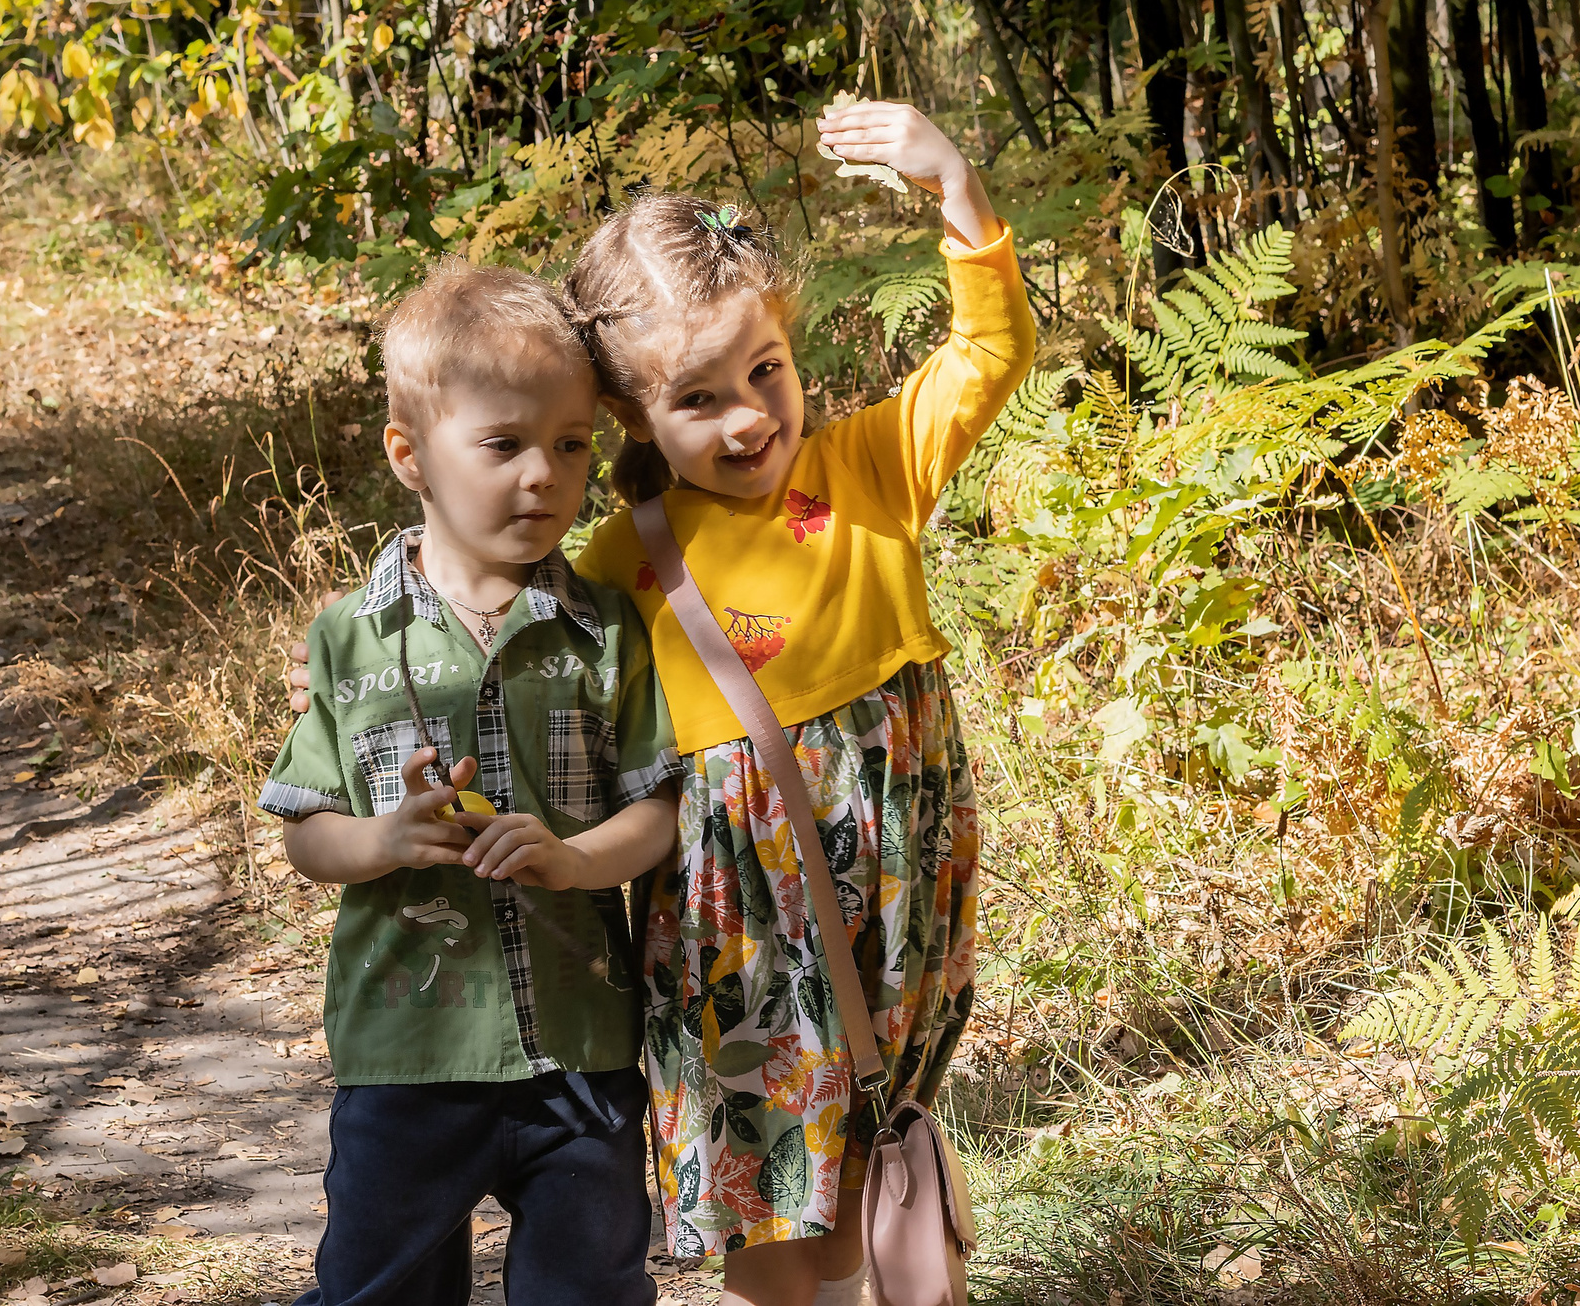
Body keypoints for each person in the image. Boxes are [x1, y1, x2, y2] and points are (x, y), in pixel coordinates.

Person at [564, 102, 1035, 1306]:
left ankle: (907, 1264)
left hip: (894, 882)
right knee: (771, 1165)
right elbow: (541, 696)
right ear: (630, 420)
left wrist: (955, 189)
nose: (751, 417)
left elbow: (986, 356)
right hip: (739, 914)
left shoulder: (868, 469)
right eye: (699, 399)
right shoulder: (623, 561)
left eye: (765, 370)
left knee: (886, 1119)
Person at [262, 259, 680, 1306]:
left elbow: (659, 807)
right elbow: (306, 833)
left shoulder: (606, 632)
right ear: (410, 454)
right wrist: (388, 840)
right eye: (502, 445)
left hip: (580, 1052)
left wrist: (576, 858)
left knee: (587, 1292)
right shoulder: (351, 640)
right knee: (379, 1290)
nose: (543, 474)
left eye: (572, 444)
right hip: (406, 1057)